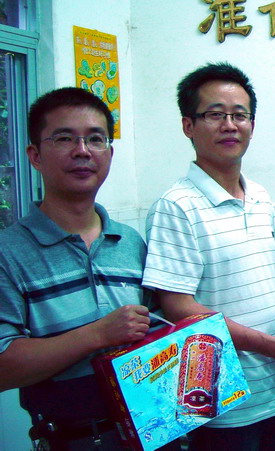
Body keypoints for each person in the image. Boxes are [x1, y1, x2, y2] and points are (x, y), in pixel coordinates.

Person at [142, 62, 275, 451]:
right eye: (215, 114)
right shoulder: (175, 206)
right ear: (188, 125)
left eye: (239, 115)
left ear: (251, 126)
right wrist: (273, 346)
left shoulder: (260, 196)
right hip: (221, 404)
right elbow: (177, 306)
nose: (230, 125)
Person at [0, 87, 172, 450]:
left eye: (95, 139)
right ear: (34, 155)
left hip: (155, 430)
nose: (82, 151)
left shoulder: (130, 242)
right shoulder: (8, 253)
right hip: (72, 439)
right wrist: (98, 335)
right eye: (64, 138)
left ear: (109, 153)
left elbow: (159, 336)